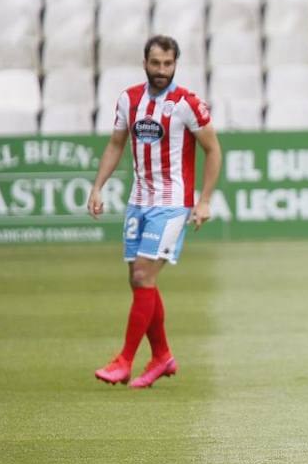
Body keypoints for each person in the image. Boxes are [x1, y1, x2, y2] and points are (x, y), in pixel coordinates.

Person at [88, 35, 223, 388]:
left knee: (143, 277)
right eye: (156, 63)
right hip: (139, 202)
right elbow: (116, 144)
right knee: (140, 281)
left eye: (168, 64)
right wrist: (98, 186)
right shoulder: (129, 99)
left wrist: (204, 200)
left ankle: (125, 360)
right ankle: (162, 357)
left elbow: (214, 150)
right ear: (145, 62)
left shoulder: (186, 103)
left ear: (176, 64)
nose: (161, 70)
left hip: (171, 205)